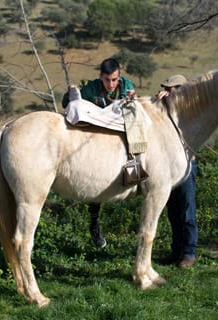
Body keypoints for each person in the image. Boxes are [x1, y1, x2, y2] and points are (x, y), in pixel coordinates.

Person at [62, 58, 136, 248]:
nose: (110, 84)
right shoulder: (92, 88)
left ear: (119, 77)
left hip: (118, 131)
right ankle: (94, 222)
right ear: (100, 77)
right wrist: (72, 92)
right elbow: (68, 103)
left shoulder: (126, 85)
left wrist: (133, 97)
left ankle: (134, 165)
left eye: (114, 80)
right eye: (106, 80)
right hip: (97, 132)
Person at [158, 75, 199, 268]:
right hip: (170, 165)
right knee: (173, 211)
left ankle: (189, 252)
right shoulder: (168, 108)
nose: (168, 91)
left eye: (171, 88)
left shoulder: (189, 110)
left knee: (187, 210)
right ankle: (177, 251)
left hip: (186, 164)